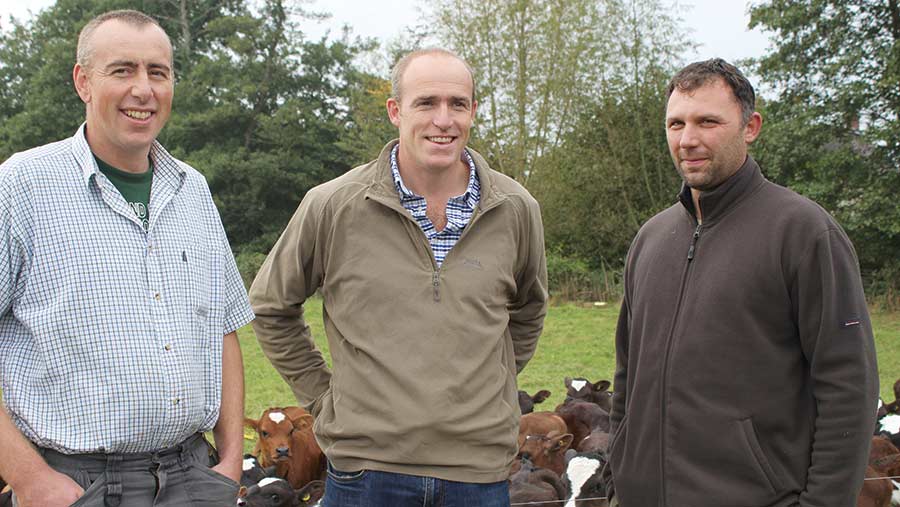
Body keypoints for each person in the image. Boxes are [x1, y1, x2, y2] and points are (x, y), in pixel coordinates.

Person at [250, 48, 548, 506]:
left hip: (478, 475)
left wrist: (497, 382)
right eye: (426, 103)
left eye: (458, 104)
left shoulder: (515, 208)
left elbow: (530, 308)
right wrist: (325, 398)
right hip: (366, 473)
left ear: (472, 112)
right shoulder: (332, 205)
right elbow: (271, 306)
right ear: (395, 111)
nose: (443, 120)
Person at [0, 10, 254, 507]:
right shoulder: (20, 187)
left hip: (195, 478)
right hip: (76, 484)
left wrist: (227, 462)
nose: (144, 89)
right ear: (83, 82)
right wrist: (29, 478)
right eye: (122, 71)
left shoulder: (192, 190)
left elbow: (223, 328)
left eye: (157, 72)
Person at [604, 58, 879, 506]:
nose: (687, 139)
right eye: (676, 124)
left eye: (707, 121)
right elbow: (626, 375)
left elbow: (849, 384)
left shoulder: (803, 232)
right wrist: (620, 475)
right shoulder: (650, 239)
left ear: (750, 127)